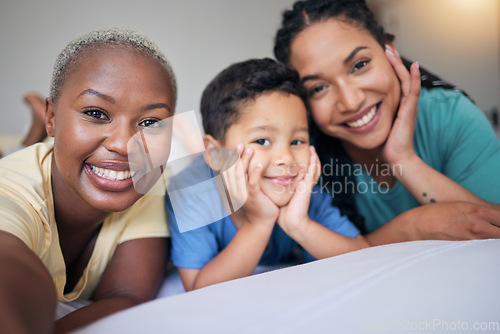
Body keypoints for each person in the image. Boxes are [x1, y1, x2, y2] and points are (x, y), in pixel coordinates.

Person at [273, 0, 500, 244]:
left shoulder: (449, 115)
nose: (350, 102)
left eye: (360, 65)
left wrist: (404, 159)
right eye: (318, 88)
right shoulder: (303, 153)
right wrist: (412, 227)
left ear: (390, 51)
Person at [0, 27, 176, 334]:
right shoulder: (13, 188)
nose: (124, 144)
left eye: (150, 123)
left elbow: (126, 295)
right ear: (52, 118)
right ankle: (31, 137)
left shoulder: (150, 179)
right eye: (96, 113)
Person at [166, 58, 368, 292]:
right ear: (217, 153)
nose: (286, 158)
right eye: (262, 140)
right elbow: (197, 289)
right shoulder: (189, 194)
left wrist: (299, 225)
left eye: (297, 141)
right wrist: (259, 223)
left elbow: (362, 255)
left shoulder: (300, 185)